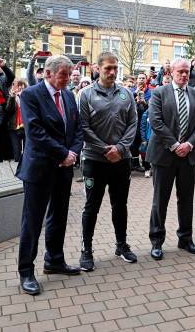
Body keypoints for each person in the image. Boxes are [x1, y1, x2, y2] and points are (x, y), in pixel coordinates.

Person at [16, 55, 84, 295]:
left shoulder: (67, 95)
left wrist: (73, 153)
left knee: (59, 216)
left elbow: (77, 128)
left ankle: (54, 260)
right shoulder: (31, 95)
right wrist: (63, 153)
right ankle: (26, 271)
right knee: (32, 221)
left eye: (69, 74)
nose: (68, 79)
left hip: (64, 168)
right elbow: (35, 132)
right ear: (48, 73)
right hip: (40, 169)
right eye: (63, 74)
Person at [78, 52, 138, 271]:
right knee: (91, 206)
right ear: (97, 68)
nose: (112, 72)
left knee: (120, 205)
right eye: (107, 69)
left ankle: (121, 245)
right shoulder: (85, 95)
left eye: (115, 68)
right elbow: (83, 127)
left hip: (121, 161)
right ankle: (87, 251)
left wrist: (120, 148)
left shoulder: (126, 94)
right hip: (95, 159)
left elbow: (133, 123)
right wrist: (105, 149)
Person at [146, 58, 195, 260]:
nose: (184, 75)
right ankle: (156, 241)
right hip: (164, 155)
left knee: (186, 199)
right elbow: (156, 121)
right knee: (160, 200)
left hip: (188, 156)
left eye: (187, 72)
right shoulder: (159, 93)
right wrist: (175, 144)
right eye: (180, 71)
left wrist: (188, 144)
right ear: (171, 72)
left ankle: (185, 239)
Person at [6, 79, 27, 163]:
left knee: (27, 151)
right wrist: (12, 97)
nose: (20, 88)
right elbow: (8, 110)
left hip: (27, 127)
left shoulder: (28, 97)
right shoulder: (11, 97)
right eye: (18, 86)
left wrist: (23, 96)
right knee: (16, 152)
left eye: (22, 86)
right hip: (14, 127)